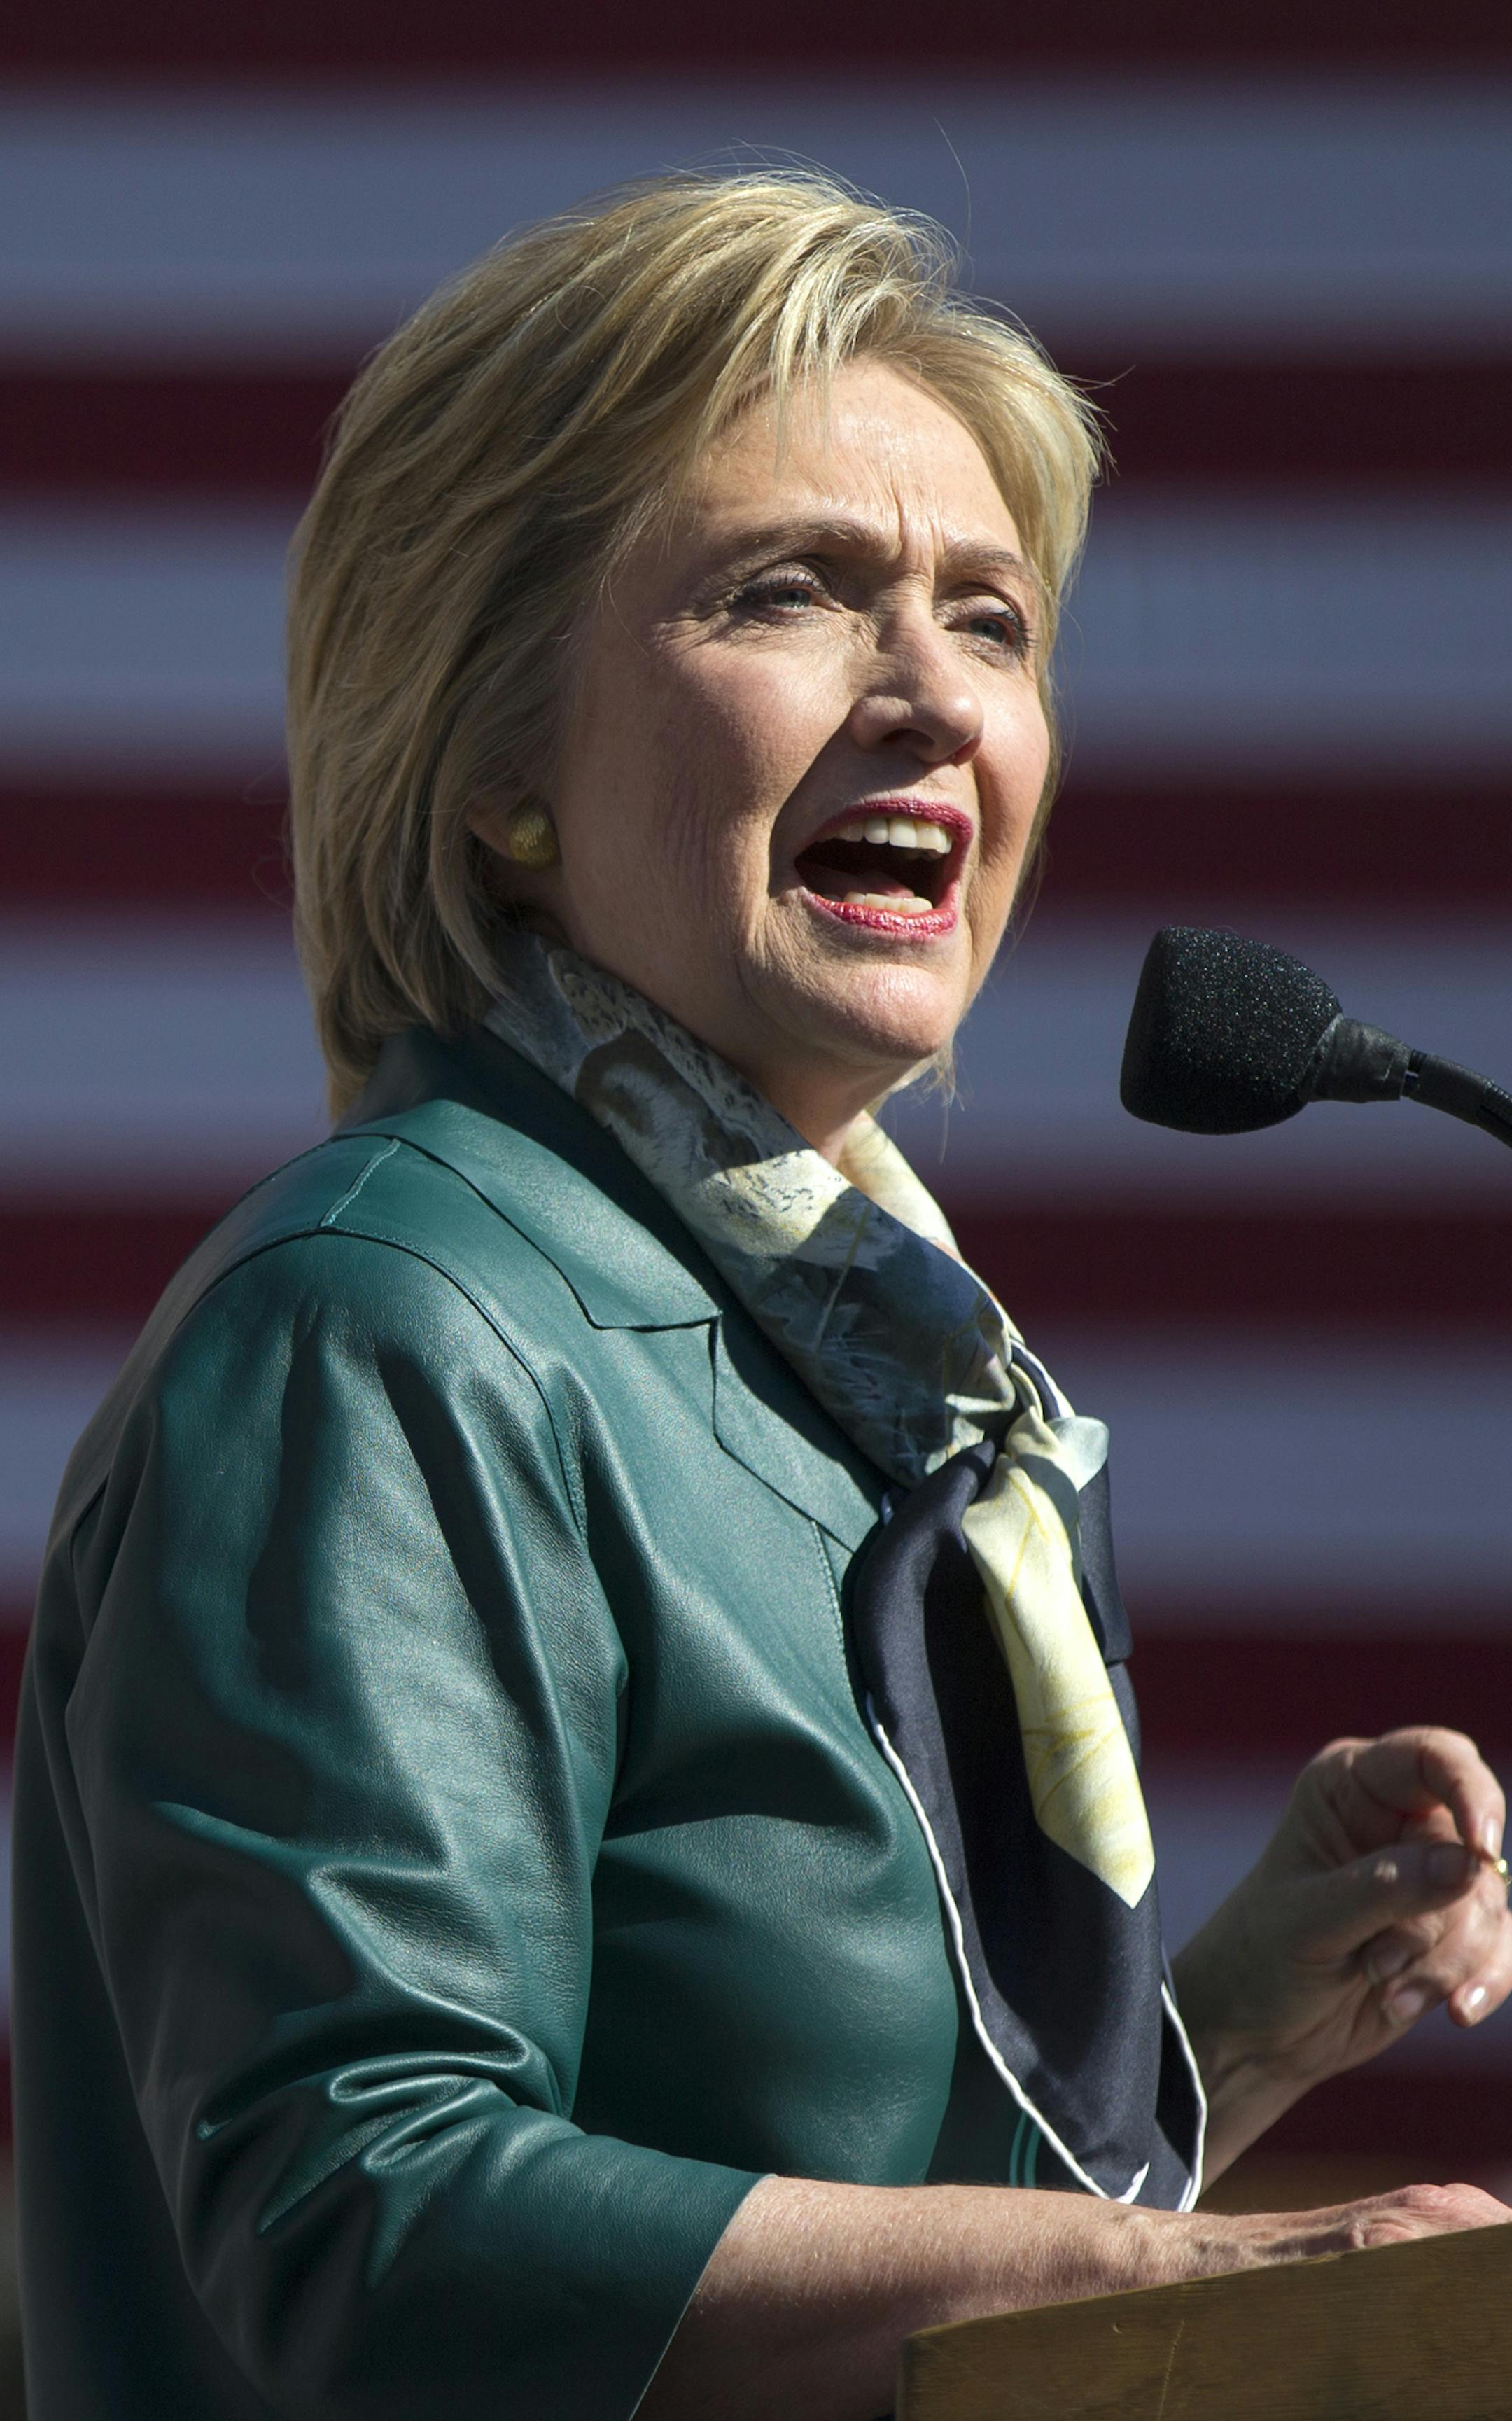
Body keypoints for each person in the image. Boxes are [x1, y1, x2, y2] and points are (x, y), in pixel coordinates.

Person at [14, 172, 1512, 2421]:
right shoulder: (390, 1326)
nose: (930, 696)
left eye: (991, 621)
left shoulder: (889, 1378)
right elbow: (377, 2221)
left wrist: (1228, 2032)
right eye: (790, 592)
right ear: (498, 758)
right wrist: (1194, 2263)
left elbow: (799, 2215)